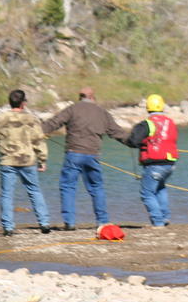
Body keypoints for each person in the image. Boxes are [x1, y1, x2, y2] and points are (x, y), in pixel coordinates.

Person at [41, 87, 128, 230]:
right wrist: (134, 142)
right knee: (96, 188)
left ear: (80, 97)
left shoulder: (72, 109)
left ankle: (70, 223)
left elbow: (53, 123)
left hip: (73, 154)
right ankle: (103, 221)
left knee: (68, 187)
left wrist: (34, 130)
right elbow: (117, 132)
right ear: (93, 97)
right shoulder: (102, 112)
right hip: (93, 154)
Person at [0, 89, 52, 236]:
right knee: (34, 191)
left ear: (10, 102)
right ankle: (44, 223)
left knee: (7, 194)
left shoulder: (0, 118)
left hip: (8, 161)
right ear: (23, 103)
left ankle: (8, 227)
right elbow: (39, 141)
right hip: (28, 161)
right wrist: (42, 160)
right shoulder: (32, 119)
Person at [123, 94, 178, 227]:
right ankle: (165, 218)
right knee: (160, 189)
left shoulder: (147, 123)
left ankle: (158, 222)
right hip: (170, 164)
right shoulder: (170, 122)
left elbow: (133, 141)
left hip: (155, 164)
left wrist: (127, 140)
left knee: (147, 193)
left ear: (148, 107)